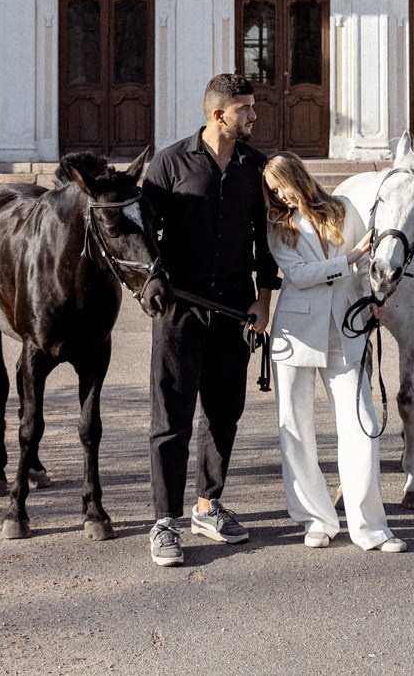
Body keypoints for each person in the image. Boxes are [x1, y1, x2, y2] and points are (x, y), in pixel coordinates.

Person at [137, 73, 279, 569]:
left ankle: (207, 505)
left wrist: (264, 300)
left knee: (224, 412)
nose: (254, 116)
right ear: (219, 114)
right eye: (245, 109)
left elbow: (267, 241)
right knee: (171, 418)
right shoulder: (169, 164)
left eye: (253, 107)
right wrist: (150, 284)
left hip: (237, 310)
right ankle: (164, 521)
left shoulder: (256, 167)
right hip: (180, 310)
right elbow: (141, 234)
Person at [262, 153, 406, 554]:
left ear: (297, 176)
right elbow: (299, 275)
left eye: (282, 186)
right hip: (295, 334)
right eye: (272, 192)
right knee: (295, 428)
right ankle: (316, 519)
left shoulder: (343, 210)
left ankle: (370, 527)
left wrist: (373, 299)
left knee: (362, 423)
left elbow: (366, 266)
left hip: (345, 328)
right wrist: (350, 258)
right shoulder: (278, 224)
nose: (280, 196)